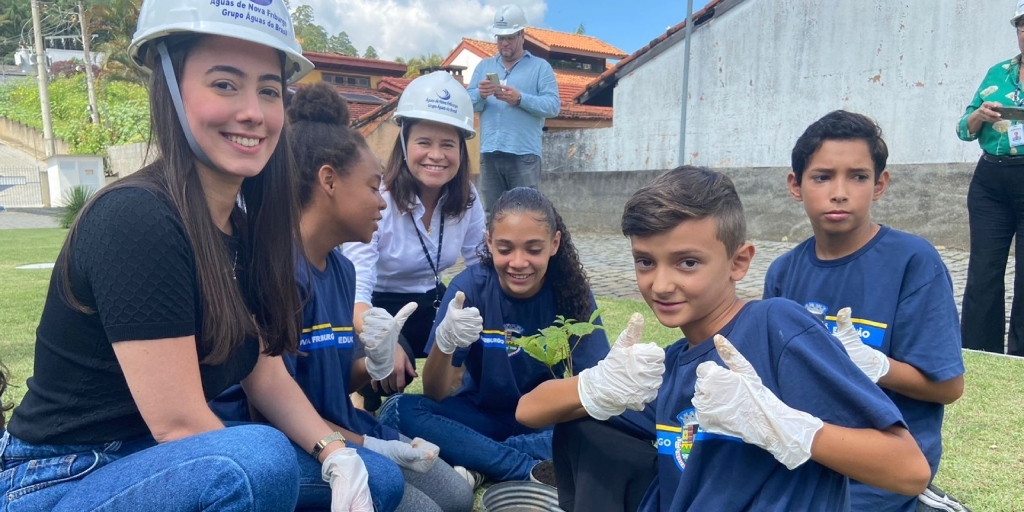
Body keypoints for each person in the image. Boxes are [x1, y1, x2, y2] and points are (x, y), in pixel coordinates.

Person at [0, 2, 381, 510]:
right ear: (171, 89)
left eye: (269, 90)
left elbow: (264, 372)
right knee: (257, 458)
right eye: (225, 84)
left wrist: (335, 452)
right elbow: (179, 424)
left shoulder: (244, 229)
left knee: (379, 477)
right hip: (64, 476)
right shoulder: (136, 219)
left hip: (159, 463)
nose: (253, 111)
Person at [516, 166, 931, 511]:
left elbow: (909, 469)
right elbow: (529, 411)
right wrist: (595, 385)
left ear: (739, 262)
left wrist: (789, 427)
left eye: (688, 262)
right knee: (583, 425)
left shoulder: (774, 327)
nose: (661, 284)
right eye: (645, 261)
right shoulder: (674, 364)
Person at [213, 82, 474, 512]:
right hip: (290, 442)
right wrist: (371, 445)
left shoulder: (340, 269)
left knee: (457, 496)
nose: (382, 204)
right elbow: (273, 410)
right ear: (329, 181)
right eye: (373, 188)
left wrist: (371, 363)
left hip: (341, 424)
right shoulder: (273, 274)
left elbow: (335, 380)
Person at [764, 110, 966, 512]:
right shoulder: (784, 272)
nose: (839, 192)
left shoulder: (913, 262)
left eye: (857, 176)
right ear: (795, 185)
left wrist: (877, 366)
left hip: (880, 473)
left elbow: (948, 387)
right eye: (822, 177)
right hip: (803, 460)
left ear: (880, 184)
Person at [378, 187, 611, 485]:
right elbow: (435, 392)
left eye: (533, 249)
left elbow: (592, 386)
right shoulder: (469, 288)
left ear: (554, 244)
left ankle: (485, 460)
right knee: (399, 410)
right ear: (488, 242)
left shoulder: (571, 292)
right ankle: (526, 467)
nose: (518, 262)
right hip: (480, 415)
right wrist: (446, 343)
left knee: (602, 423)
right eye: (505, 248)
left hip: (542, 421)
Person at [344, 70, 486, 413]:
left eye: (448, 144)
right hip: (375, 305)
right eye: (424, 142)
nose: (436, 155)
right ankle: (360, 399)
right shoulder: (379, 197)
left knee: (481, 342)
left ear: (461, 150)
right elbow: (355, 290)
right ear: (405, 142)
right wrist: (383, 340)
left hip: (431, 299)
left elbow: (482, 267)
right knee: (393, 371)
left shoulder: (467, 198)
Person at [956, 0, 1024, 357]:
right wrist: (980, 115)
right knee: (983, 272)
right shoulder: (997, 72)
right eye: (1022, 25)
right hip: (991, 182)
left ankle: (1021, 358)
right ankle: (978, 353)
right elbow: (963, 129)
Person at [466, 4, 561, 213]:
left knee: (525, 212)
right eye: (500, 37)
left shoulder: (540, 67)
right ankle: (493, 248)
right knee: (492, 213)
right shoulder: (484, 67)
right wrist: (479, 95)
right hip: (490, 152)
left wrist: (520, 99)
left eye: (509, 37)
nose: (504, 43)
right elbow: (467, 103)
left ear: (522, 35)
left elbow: (553, 106)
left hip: (524, 154)